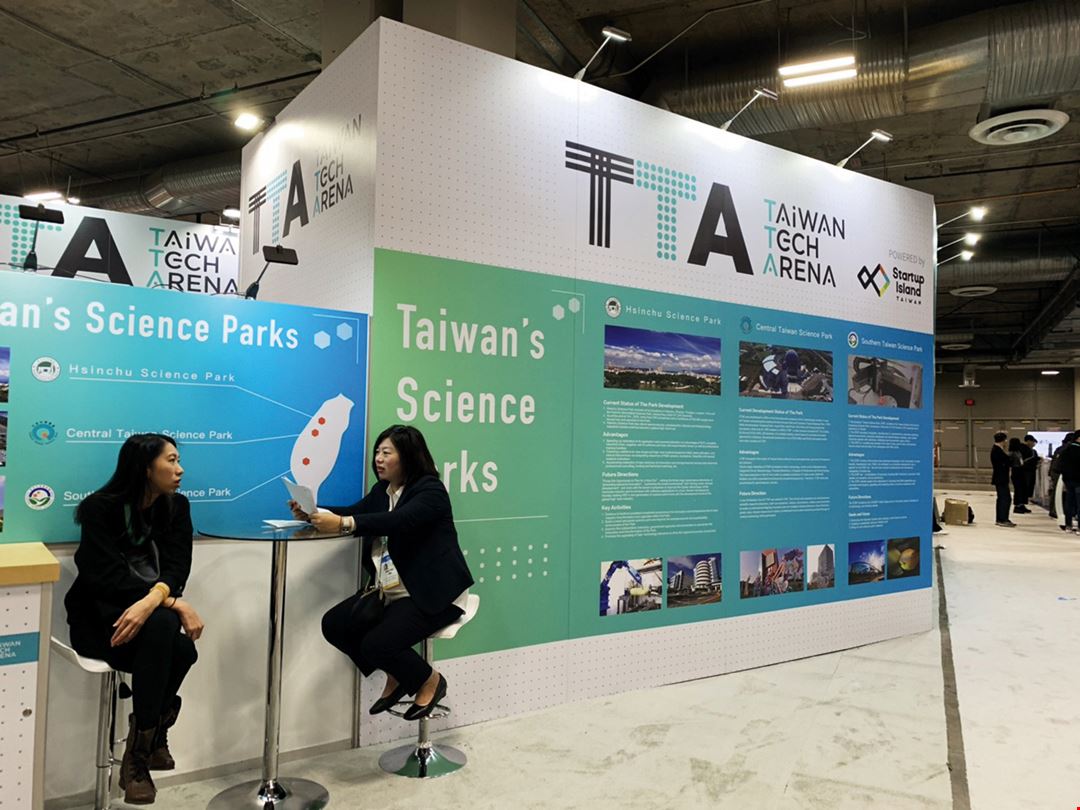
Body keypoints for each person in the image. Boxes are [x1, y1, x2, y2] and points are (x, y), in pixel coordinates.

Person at [292, 425, 473, 720]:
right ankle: (398, 674)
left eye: (386, 452)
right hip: (391, 592)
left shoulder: (431, 490)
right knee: (335, 625)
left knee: (377, 644)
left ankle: (430, 681)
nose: (378, 458)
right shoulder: (383, 491)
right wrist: (313, 513)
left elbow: (399, 520)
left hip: (432, 593)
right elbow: (353, 511)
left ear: (409, 456)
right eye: (377, 452)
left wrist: (344, 524)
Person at [65, 434, 203, 805]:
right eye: (171, 461)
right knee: (175, 640)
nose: (180, 469)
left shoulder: (176, 507)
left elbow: (177, 566)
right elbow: (104, 578)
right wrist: (171, 603)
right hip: (101, 625)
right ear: (145, 468)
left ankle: (138, 751)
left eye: (178, 460)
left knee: (173, 639)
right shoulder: (100, 508)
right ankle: (149, 743)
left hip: (148, 631)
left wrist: (155, 600)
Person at [991, 432, 1015, 527]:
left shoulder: (998, 450)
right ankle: (1002, 519)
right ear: (1003, 440)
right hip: (1000, 478)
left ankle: (1003, 518)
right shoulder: (997, 450)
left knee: (1004, 498)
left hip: (1001, 477)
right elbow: (1004, 462)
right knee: (1005, 498)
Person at [1048, 432, 1074, 520]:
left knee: (1056, 492)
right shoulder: (1068, 448)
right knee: (1060, 493)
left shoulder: (1060, 448)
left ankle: (1053, 510)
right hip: (1060, 473)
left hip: (1056, 472)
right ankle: (1056, 510)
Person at [1058, 432, 1080, 534]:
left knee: (1069, 502)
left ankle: (1068, 525)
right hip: (1078, 480)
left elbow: (1060, 466)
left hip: (1068, 480)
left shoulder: (1065, 450)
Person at [1008, 437, 1030, 514]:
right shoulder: (1011, 453)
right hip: (1016, 471)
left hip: (1020, 470)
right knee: (1018, 489)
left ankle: (1021, 504)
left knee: (1023, 489)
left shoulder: (1018, 452)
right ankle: (1017, 505)